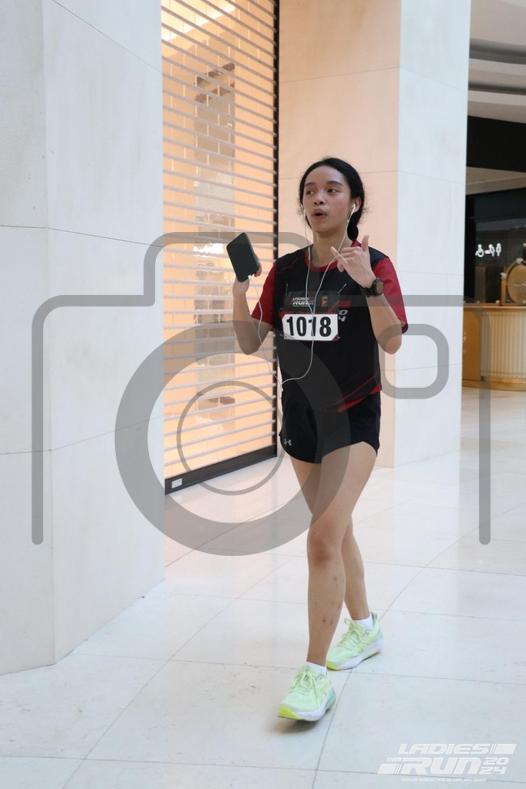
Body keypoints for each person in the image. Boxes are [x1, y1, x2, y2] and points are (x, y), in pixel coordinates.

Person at [231, 157, 408, 722]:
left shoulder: (375, 265)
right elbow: (249, 342)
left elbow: (392, 341)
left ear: (354, 203)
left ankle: (314, 676)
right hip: (302, 421)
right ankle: (365, 627)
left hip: (353, 420)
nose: (319, 198)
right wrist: (239, 290)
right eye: (310, 190)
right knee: (338, 531)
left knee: (321, 538)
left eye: (333, 189)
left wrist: (368, 285)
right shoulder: (286, 272)